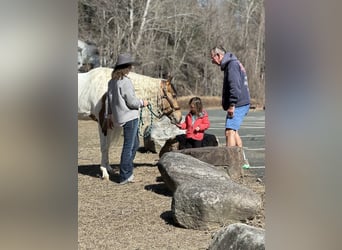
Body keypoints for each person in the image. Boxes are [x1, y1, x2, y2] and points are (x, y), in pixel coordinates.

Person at [106, 53, 149, 184]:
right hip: (129, 116)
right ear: (126, 67)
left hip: (121, 116)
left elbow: (109, 100)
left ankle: (127, 170)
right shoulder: (125, 82)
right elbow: (131, 102)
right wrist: (142, 102)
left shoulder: (112, 81)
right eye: (130, 66)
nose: (131, 68)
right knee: (129, 145)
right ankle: (125, 175)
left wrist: (109, 115)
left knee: (135, 144)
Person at [210, 46, 251, 168]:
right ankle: (243, 161)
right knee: (234, 131)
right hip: (241, 102)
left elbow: (235, 86)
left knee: (229, 132)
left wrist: (232, 104)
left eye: (212, 58)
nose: (212, 61)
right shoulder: (232, 63)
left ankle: (231, 163)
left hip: (238, 103)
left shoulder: (231, 65)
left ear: (218, 55)